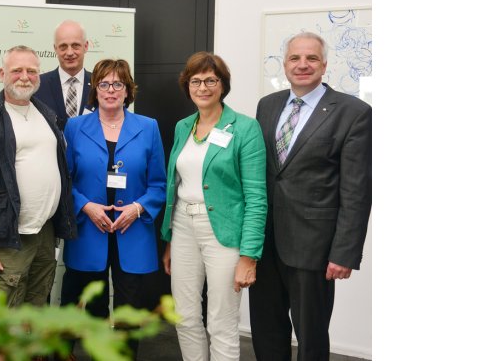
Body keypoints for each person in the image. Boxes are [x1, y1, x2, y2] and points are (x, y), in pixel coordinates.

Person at [249, 32, 372, 361]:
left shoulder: (353, 112)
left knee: (311, 336)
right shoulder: (268, 105)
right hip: (265, 243)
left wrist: (345, 252)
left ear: (324, 65)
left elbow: (356, 191)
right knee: (266, 329)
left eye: (311, 58)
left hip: (314, 247)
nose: (302, 65)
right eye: (294, 58)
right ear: (285, 64)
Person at [159, 52, 267, 361]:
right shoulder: (183, 127)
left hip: (223, 232)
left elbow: (257, 197)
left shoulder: (244, 128)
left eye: (210, 80)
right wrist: (169, 240)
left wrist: (249, 255)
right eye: (196, 81)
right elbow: (175, 187)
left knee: (222, 321)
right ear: (187, 85)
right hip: (182, 227)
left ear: (222, 85)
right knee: (185, 315)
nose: (203, 87)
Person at [60, 58, 166, 357]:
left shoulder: (148, 127)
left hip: (130, 230)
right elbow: (64, 180)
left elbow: (159, 184)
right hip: (89, 229)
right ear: (95, 89)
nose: (110, 90)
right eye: (104, 83)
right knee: (91, 303)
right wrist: (85, 206)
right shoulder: (75, 126)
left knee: (129, 307)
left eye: (117, 84)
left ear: (128, 89)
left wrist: (138, 208)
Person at [0, 45, 77, 307]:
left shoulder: (46, 114)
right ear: (2, 73)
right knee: (2, 323)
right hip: (7, 237)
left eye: (32, 71)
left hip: (45, 233)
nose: (25, 76)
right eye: (17, 70)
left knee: (34, 313)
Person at [33, 20, 92, 130]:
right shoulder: (38, 85)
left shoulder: (100, 84)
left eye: (75, 45)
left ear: (86, 46)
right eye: (63, 46)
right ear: (55, 48)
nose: (69, 53)